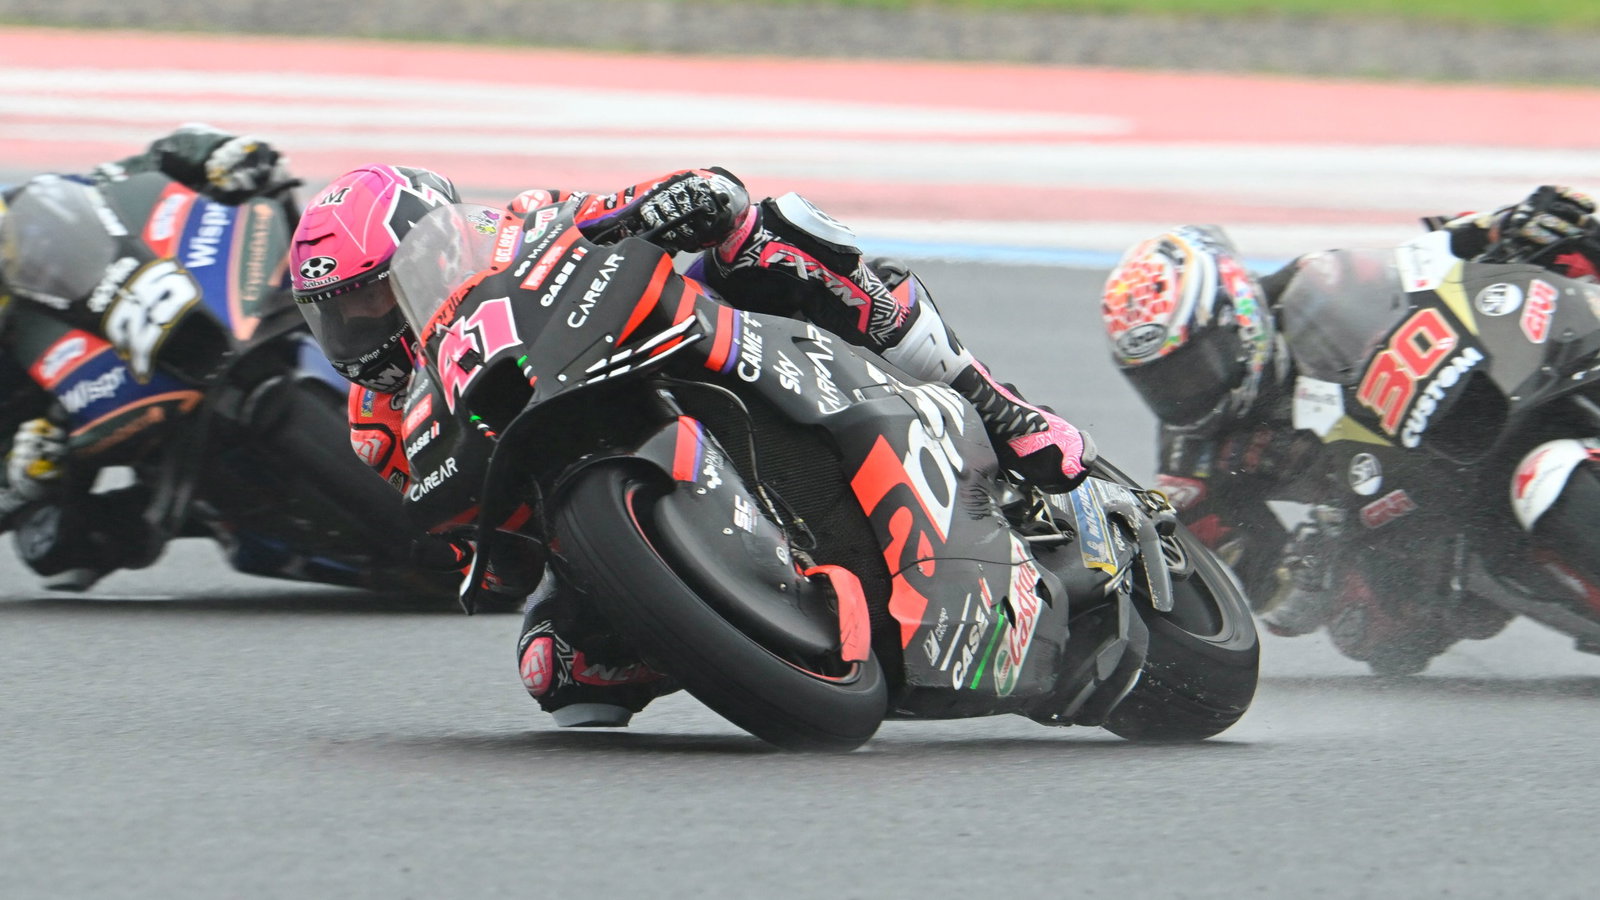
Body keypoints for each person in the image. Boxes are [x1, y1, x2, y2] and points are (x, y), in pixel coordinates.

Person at [289, 163, 1096, 726]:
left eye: (369, 298)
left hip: (680, 338)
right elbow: (482, 553)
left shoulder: (521, 222)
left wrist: (680, 203)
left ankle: (993, 401)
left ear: (427, 251)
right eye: (338, 314)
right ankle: (728, 607)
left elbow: (670, 196)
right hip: (571, 479)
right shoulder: (377, 424)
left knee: (770, 234)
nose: (360, 329)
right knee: (562, 681)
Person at [1100, 185, 1600, 671]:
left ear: (1238, 321)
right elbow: (1266, 588)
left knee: (1572, 253)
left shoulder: (1323, 284)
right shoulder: (1194, 468)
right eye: (1161, 383)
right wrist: (1307, 575)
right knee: (1370, 633)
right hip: (1383, 520)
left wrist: (1506, 223)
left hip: (1452, 415)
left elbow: (1428, 255)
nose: (1188, 393)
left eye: (1196, 367)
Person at [0, 124, 289, 586]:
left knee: (330, 227)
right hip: (103, 411)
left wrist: (215, 154)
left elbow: (136, 171)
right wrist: (19, 479)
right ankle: (205, 512)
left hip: (172, 295)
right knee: (48, 544)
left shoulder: (35, 209)